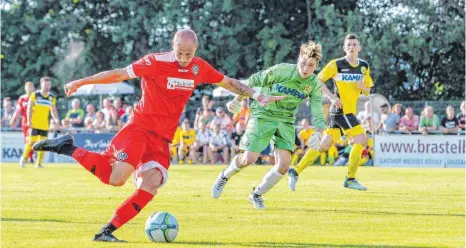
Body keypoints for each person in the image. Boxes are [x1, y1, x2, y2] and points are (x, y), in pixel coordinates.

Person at [33, 29, 283, 242]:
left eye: (189, 53)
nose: (185, 59)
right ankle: (65, 147)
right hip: (140, 128)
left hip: (162, 139)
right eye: (180, 53)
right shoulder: (155, 61)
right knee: (116, 178)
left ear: (195, 49)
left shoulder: (199, 67)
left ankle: (106, 232)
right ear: (173, 46)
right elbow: (119, 73)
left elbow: (229, 82)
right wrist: (81, 82)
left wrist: (258, 96)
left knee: (151, 184)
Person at [211, 40, 325, 209]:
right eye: (303, 63)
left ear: (316, 66)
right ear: (299, 57)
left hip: (286, 120)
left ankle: (256, 195)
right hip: (262, 113)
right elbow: (254, 80)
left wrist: (319, 131)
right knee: (249, 158)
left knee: (284, 165)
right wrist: (237, 99)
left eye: (311, 65)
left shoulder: (314, 84)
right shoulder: (282, 70)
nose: (306, 69)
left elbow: (317, 108)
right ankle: (225, 175)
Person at [288, 33, 374, 191]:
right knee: (362, 139)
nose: (351, 47)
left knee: (323, 146)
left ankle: (295, 170)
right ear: (344, 48)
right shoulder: (336, 64)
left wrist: (363, 88)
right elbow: (318, 80)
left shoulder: (364, 66)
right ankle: (350, 178)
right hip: (341, 111)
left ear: (359, 48)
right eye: (348, 45)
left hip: (347, 112)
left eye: (354, 45)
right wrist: (332, 97)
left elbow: (368, 91)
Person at [21, 77, 59, 168]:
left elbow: (53, 110)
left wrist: (56, 119)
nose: (47, 86)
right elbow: (29, 108)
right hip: (34, 124)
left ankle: (38, 163)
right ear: (41, 84)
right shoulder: (35, 94)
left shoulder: (51, 97)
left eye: (49, 84)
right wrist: (29, 121)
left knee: (43, 144)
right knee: (31, 142)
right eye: (45, 84)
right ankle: (24, 158)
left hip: (44, 125)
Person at [10, 81, 36, 162]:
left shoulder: (36, 98)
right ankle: (30, 157)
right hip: (25, 123)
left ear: (33, 88)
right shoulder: (22, 98)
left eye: (31, 87)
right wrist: (13, 119)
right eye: (28, 87)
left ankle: (30, 157)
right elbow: (18, 110)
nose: (29, 89)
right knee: (27, 140)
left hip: (34, 122)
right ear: (25, 88)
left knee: (31, 140)